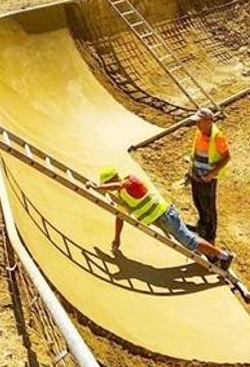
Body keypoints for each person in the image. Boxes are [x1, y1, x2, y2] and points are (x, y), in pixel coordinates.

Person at [87, 167, 235, 270]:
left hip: (166, 215)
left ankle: (224, 256)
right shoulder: (123, 197)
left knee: (189, 240)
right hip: (164, 220)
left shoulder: (130, 181)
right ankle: (215, 256)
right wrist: (117, 238)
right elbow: (120, 216)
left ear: (112, 179)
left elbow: (119, 185)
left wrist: (97, 188)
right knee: (188, 240)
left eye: (108, 184)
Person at [186, 108, 230, 245]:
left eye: (199, 122)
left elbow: (226, 157)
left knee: (209, 208)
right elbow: (196, 153)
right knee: (198, 202)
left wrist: (211, 174)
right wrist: (190, 172)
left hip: (207, 179)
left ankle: (210, 237)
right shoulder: (200, 132)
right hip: (196, 176)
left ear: (208, 122)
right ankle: (201, 227)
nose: (196, 125)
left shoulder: (217, 137)